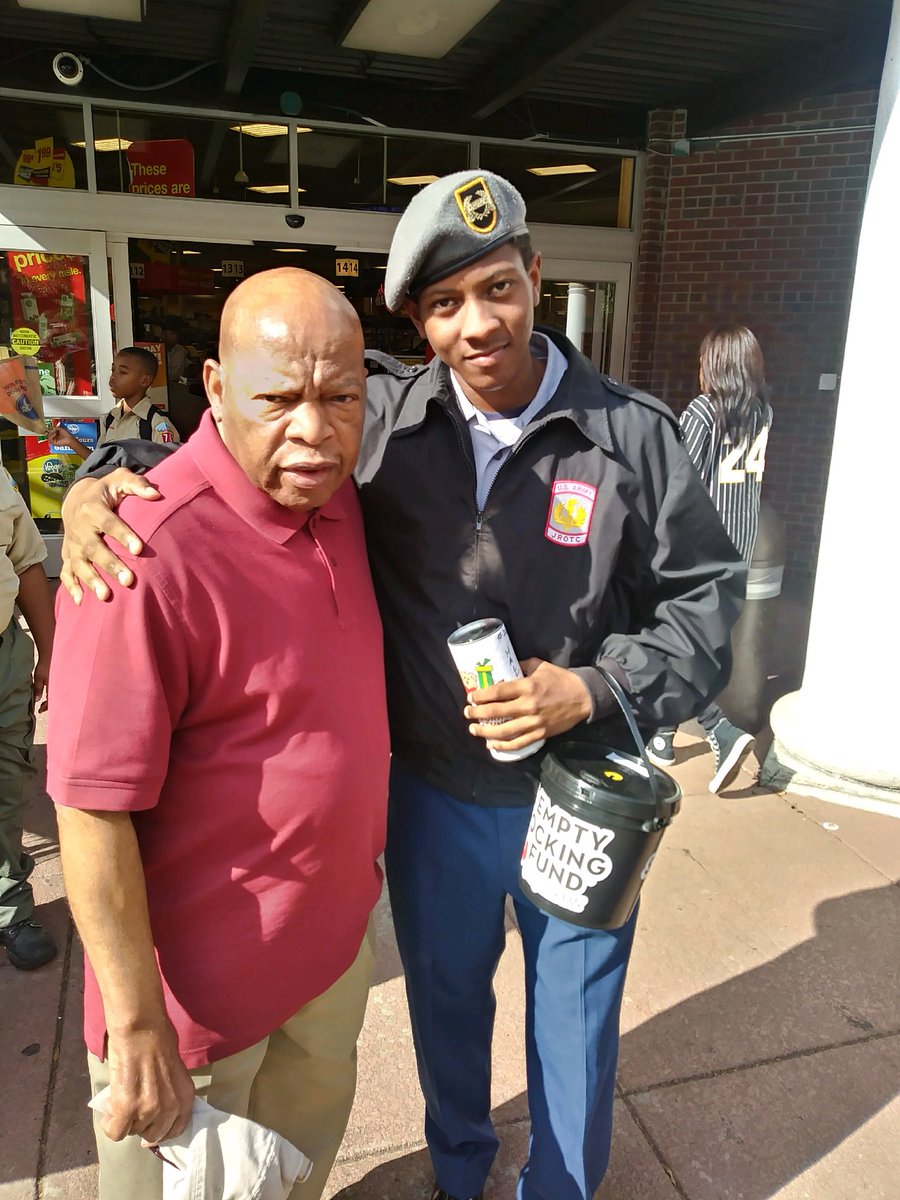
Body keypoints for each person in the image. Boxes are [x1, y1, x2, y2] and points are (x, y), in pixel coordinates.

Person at [58, 172, 744, 1200]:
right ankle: (459, 1171)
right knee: (446, 1008)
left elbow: (709, 610)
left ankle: (560, 1188)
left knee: (577, 1019)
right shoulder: (374, 416)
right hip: (433, 794)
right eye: (445, 303)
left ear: (537, 280)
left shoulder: (634, 436)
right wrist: (96, 481)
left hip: (578, 793)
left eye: (498, 289)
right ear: (419, 322)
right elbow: (244, 434)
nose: (478, 325)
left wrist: (597, 688)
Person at [47, 269, 389, 1200]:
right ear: (212, 387)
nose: (315, 431)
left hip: (327, 960)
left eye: (341, 397)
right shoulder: (139, 552)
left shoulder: (341, 496)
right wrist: (137, 1026)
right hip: (193, 1016)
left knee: (295, 1181)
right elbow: (88, 810)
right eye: (278, 399)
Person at [645, 324, 773, 793]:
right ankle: (660, 738)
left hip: (696, 551)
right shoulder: (762, 413)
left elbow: (675, 480)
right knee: (691, 640)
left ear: (714, 366)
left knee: (668, 637)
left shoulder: (703, 412)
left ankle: (721, 727)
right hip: (738, 547)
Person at [0, 467, 56, 970]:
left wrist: (49, 651)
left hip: (4, 659)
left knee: (8, 783)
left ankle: (9, 906)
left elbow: (28, 564)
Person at [48, 347, 179, 461]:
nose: (113, 377)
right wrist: (71, 442)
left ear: (144, 380)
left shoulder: (157, 423)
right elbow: (99, 463)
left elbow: (168, 470)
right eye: (113, 370)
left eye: (123, 372)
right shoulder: (111, 418)